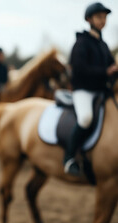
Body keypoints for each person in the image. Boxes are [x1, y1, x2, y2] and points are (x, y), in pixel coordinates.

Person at [63, 2, 118, 175]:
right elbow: (79, 69)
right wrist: (106, 71)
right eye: (99, 17)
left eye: (105, 17)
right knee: (86, 118)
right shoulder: (81, 42)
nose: (103, 20)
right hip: (83, 91)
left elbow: (111, 69)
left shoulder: (103, 45)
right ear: (89, 19)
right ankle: (69, 157)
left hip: (101, 91)